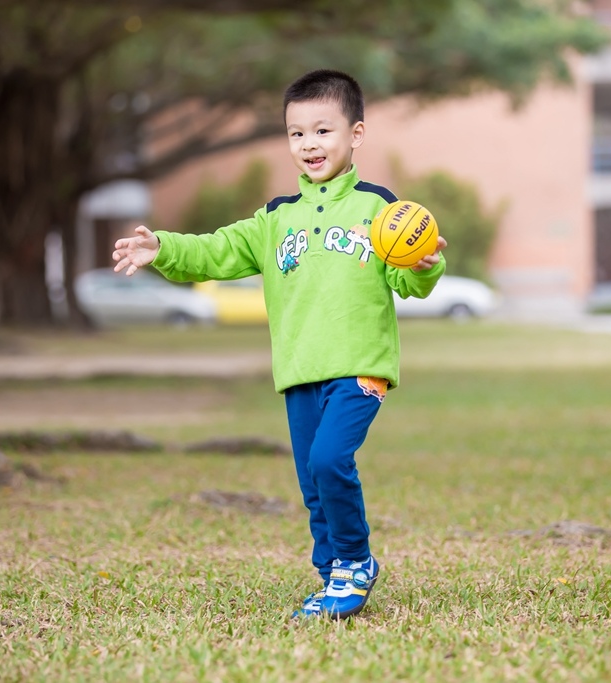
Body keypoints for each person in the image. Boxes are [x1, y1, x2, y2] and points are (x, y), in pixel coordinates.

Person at [112, 69, 447, 619]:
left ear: (356, 134)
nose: (309, 144)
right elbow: (217, 251)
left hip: (360, 367)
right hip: (299, 370)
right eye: (297, 133)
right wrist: (163, 249)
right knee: (312, 480)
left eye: (323, 130)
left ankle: (356, 561)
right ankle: (332, 575)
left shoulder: (380, 209)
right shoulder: (275, 219)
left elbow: (407, 281)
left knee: (330, 459)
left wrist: (424, 265)